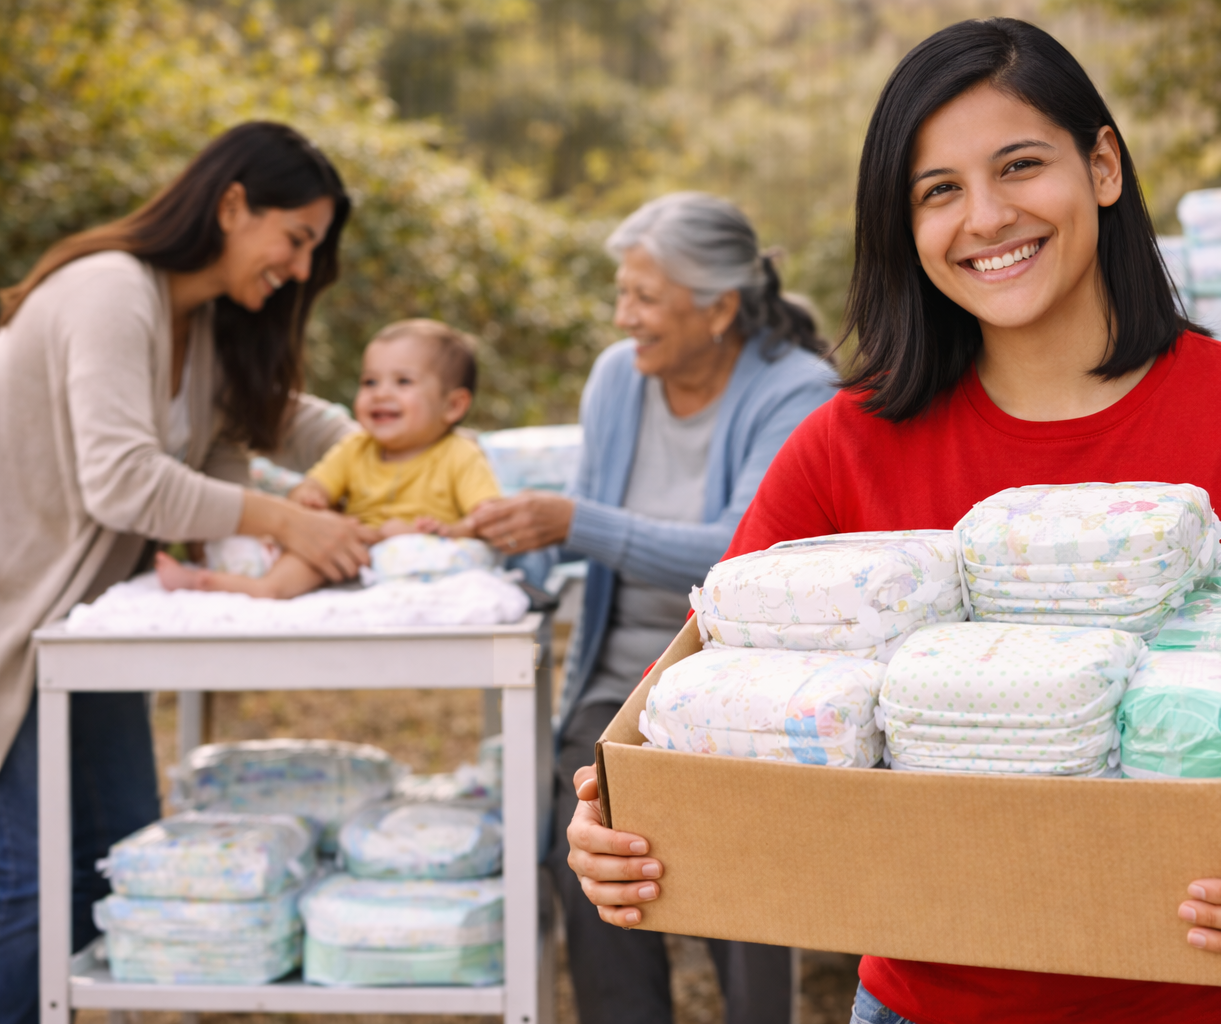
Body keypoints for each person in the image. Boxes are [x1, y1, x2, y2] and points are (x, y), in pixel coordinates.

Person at [562, 20, 1221, 1024]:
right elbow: (712, 683)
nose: (986, 217)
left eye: (1020, 166)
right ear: (904, 225)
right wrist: (619, 807)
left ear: (1103, 165)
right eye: (939, 191)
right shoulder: (849, 444)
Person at [0, 122, 371, 1022]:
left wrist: (433, 459)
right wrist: (281, 517)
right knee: (26, 886)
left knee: (119, 849)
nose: (296, 265)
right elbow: (123, 479)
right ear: (233, 203)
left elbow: (292, 419)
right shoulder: (109, 292)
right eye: (296, 238)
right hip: (18, 622)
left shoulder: (202, 326)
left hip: (87, 636)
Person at [464, 192, 839, 1024]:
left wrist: (575, 521)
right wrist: (502, 536)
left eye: (642, 296)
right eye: (621, 292)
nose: (621, 315)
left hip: (743, 682)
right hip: (624, 678)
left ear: (718, 308)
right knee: (591, 820)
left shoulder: (795, 390)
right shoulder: (616, 379)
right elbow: (584, 532)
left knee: (737, 839)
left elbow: (744, 555)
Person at [156, 318, 502, 598]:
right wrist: (312, 499)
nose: (381, 393)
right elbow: (311, 490)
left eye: (403, 382)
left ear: (453, 405)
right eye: (369, 381)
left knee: (425, 550)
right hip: (356, 548)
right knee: (309, 552)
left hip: (417, 548)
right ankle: (232, 585)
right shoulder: (355, 449)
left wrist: (450, 530)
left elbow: (485, 518)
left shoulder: (461, 454)